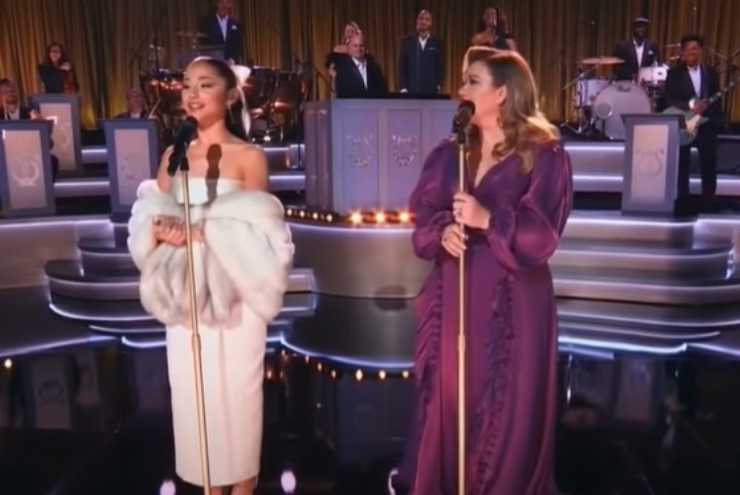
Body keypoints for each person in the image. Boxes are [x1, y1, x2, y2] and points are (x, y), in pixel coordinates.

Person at [394, 48, 572, 494]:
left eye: (472, 81)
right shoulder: (450, 152)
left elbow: (542, 236)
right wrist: (442, 232)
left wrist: (488, 219)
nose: (461, 90)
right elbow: (422, 219)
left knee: (509, 399)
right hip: (457, 293)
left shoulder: (543, 154)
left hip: (515, 299)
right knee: (455, 391)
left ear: (502, 92)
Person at [127, 57, 294, 494]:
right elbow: (150, 219)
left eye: (205, 85)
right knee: (194, 404)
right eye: (187, 85)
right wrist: (160, 233)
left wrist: (205, 231)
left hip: (235, 302)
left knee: (236, 405)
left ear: (230, 95)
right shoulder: (173, 156)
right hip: (186, 304)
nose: (192, 94)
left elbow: (265, 237)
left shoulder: (249, 157)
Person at [665, 34, 723, 214]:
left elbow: (716, 97)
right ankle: (683, 202)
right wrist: (691, 106)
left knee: (709, 163)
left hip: (706, 124)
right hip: (686, 123)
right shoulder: (674, 73)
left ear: (701, 51)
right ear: (682, 52)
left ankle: (709, 201)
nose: (693, 52)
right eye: (689, 49)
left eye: (696, 48)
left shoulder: (711, 72)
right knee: (683, 163)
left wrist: (714, 117)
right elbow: (668, 99)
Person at [398, 10, 444, 96]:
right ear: (417, 21)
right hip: (411, 89)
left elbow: (440, 66)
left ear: (430, 23)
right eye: (421, 18)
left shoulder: (437, 42)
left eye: (427, 19)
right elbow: (402, 66)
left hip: (431, 90)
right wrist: (403, 88)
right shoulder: (407, 41)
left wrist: (439, 85)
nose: (423, 22)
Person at [334, 32, 388, 98]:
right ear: (349, 48)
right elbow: (341, 94)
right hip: (352, 104)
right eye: (355, 46)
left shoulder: (375, 68)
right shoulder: (343, 69)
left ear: (366, 48)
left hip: (374, 104)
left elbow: (382, 91)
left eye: (361, 45)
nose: (358, 49)